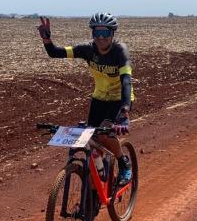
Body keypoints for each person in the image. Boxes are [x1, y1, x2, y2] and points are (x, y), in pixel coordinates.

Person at [38, 12, 135, 186]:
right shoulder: (87, 49)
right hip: (99, 99)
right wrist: (47, 39)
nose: (100, 37)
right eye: (96, 32)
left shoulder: (120, 51)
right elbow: (55, 52)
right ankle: (97, 183)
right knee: (91, 139)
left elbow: (126, 81)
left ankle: (123, 163)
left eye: (104, 33)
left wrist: (125, 110)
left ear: (112, 33)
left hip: (119, 100)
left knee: (105, 134)